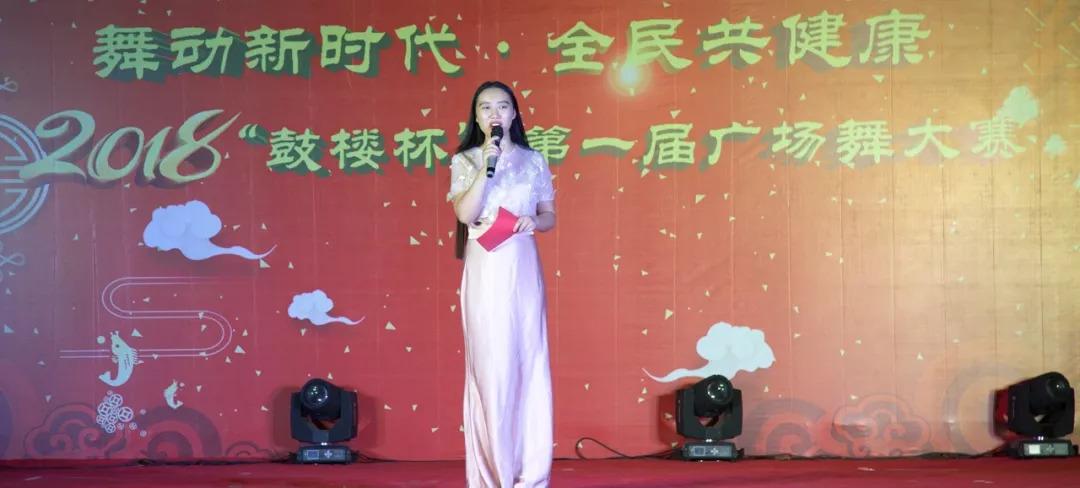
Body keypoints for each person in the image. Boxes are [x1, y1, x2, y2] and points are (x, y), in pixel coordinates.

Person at [447, 80, 556, 487]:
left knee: (528, 362)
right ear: (476, 117)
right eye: (486, 107)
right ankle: (495, 475)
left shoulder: (534, 161)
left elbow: (549, 216)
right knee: (492, 365)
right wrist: (486, 166)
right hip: (486, 267)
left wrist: (534, 221)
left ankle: (531, 475)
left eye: (503, 106)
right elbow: (465, 214)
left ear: (514, 114)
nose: (495, 114)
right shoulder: (466, 160)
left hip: (522, 266)